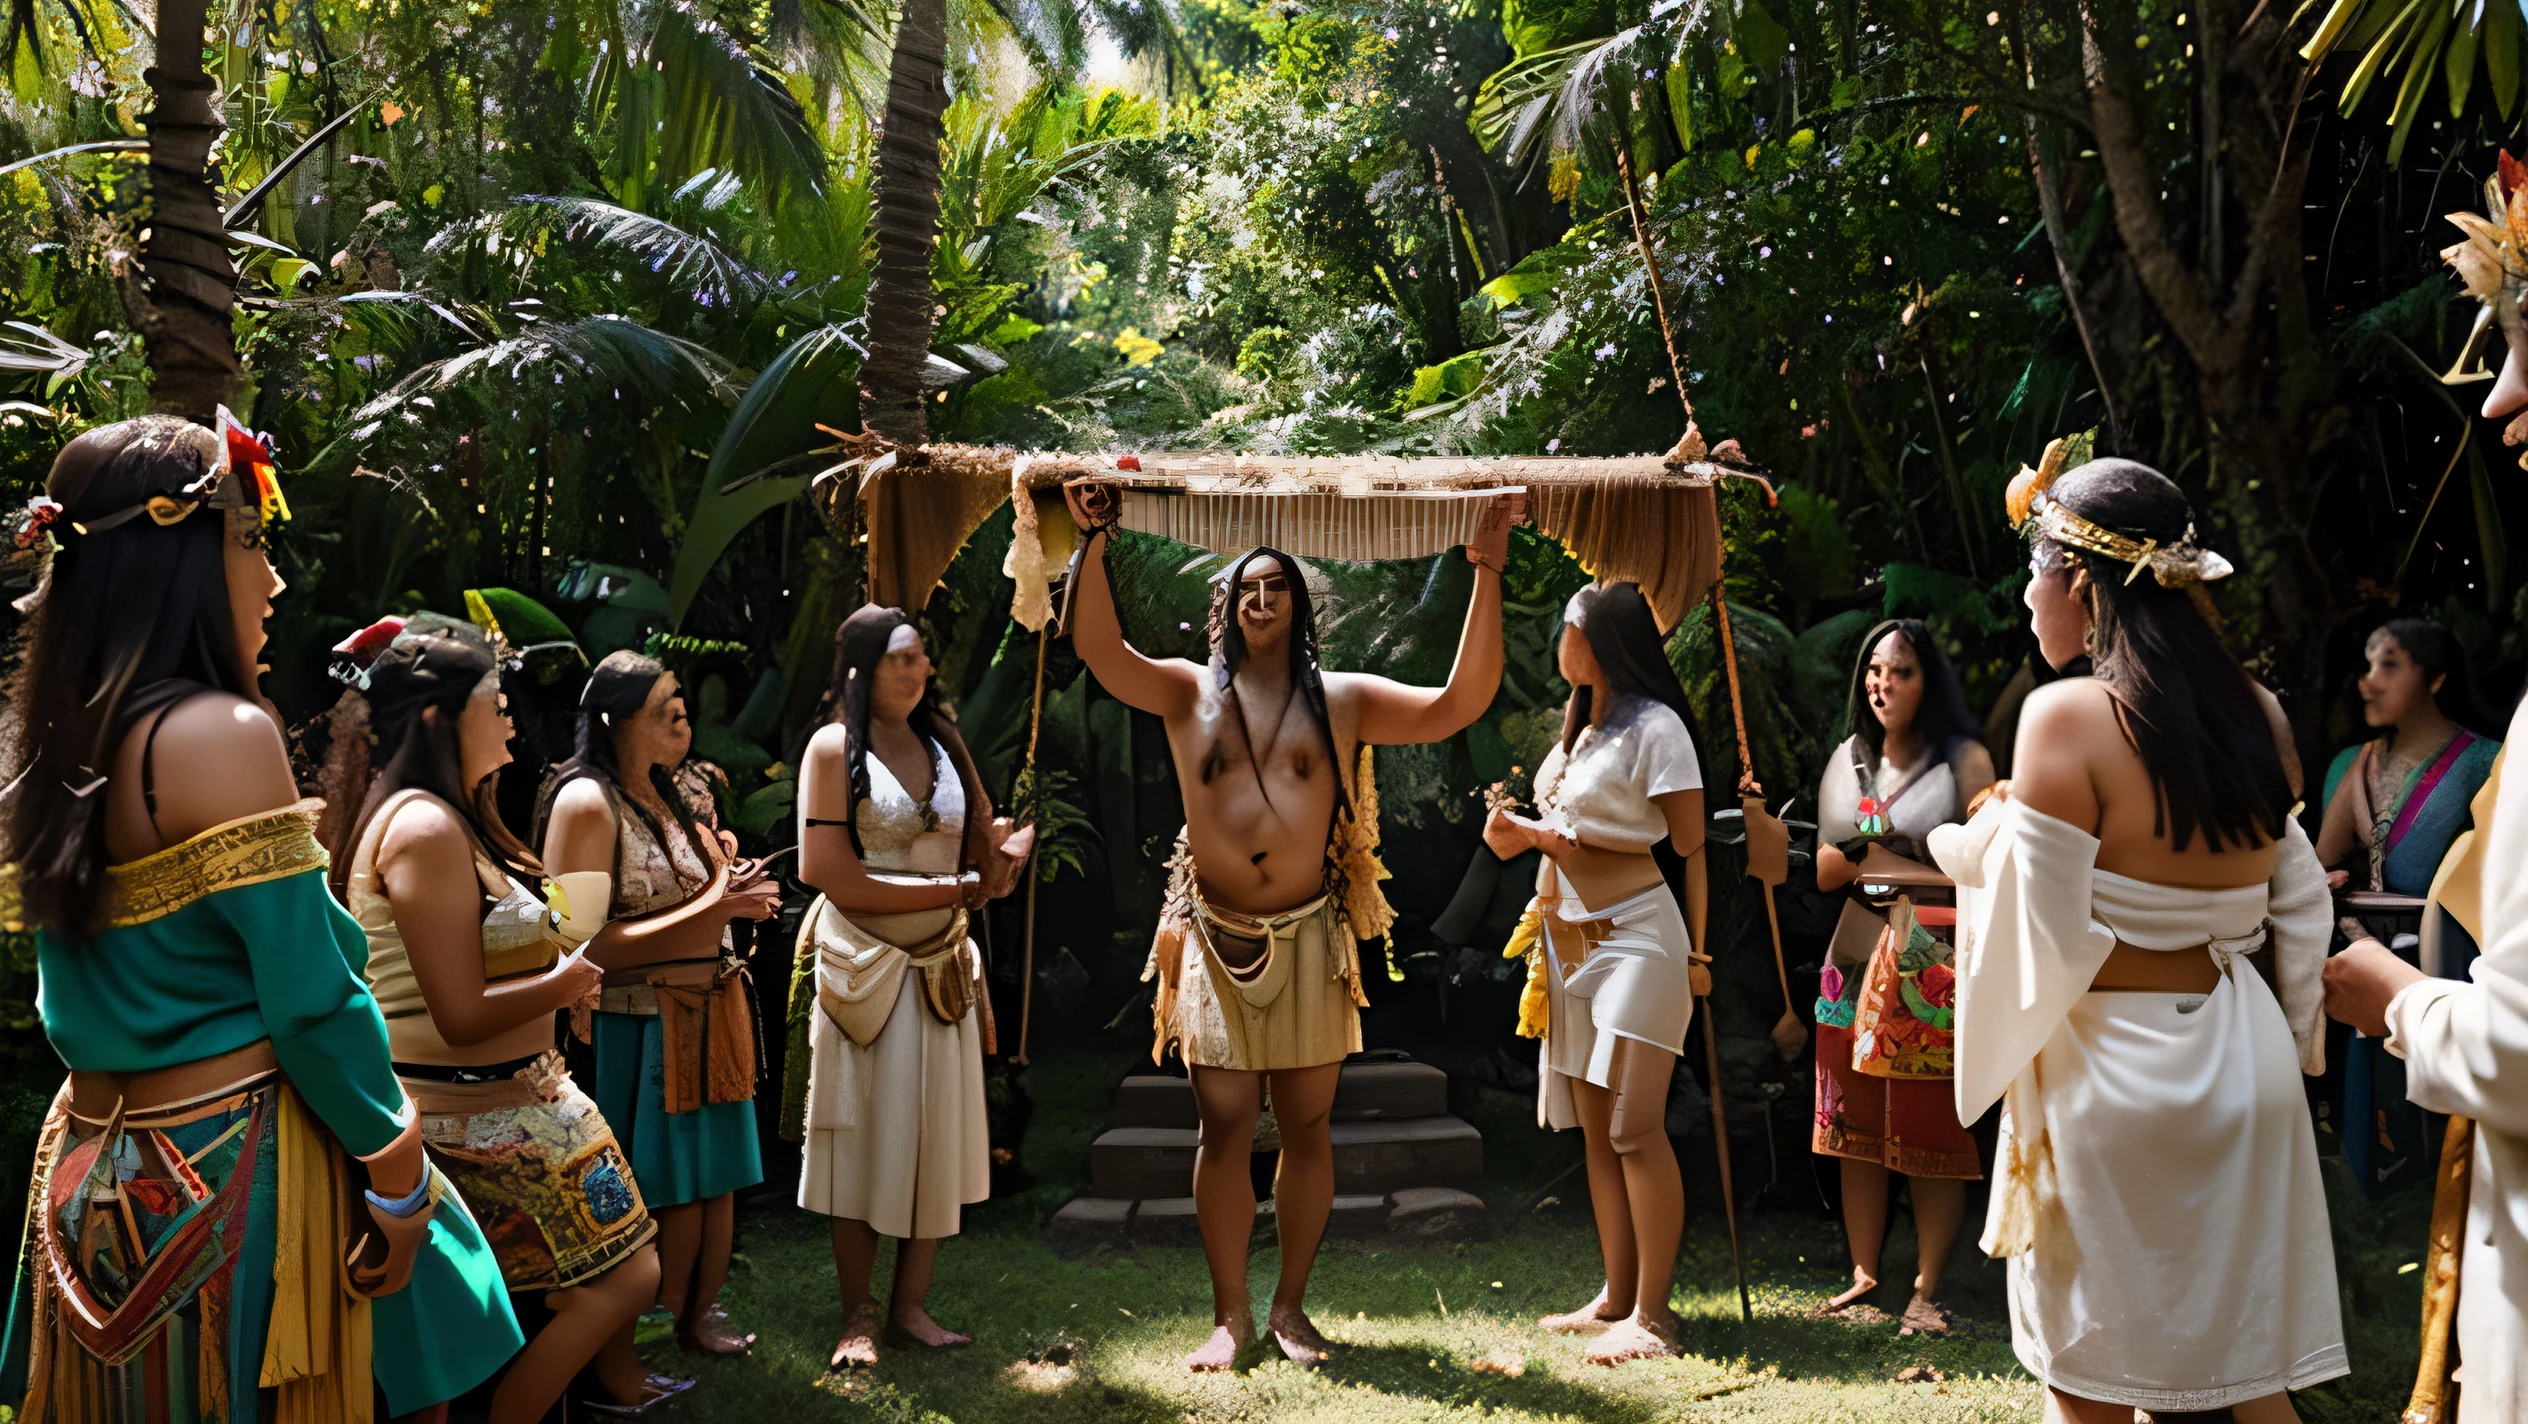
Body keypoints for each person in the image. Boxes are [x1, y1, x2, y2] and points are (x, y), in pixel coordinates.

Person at [0, 416, 520, 1422]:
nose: (274, 582)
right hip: (234, 1167)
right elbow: (315, 1004)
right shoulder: (220, 734)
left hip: (86, 1170)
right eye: (251, 541)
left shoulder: (44, 748)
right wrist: (401, 1172)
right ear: (174, 560)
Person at [1063, 480, 1514, 1369]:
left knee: (1308, 1128)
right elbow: (1098, 649)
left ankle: (1292, 1310)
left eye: (1279, 587)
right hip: (1214, 935)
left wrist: (1487, 570)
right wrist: (1093, 542)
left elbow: (1461, 700)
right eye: (1246, 588)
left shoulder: (1341, 700)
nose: (1262, 599)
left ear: (1301, 606)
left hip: (1310, 934)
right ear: (1220, 606)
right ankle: (1230, 1317)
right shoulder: (1184, 693)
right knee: (1224, 1129)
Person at [1931, 453, 2344, 1421]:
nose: (2026, 597)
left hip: (2107, 1080)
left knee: (2090, 1383)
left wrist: (1973, 844)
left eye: (2032, 571)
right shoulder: (2256, 711)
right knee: (2252, 1381)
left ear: (2075, 580)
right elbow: (2284, 883)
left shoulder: (2063, 716)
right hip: (2240, 1059)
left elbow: (2040, 936)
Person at [324, 615, 679, 1421]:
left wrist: (556, 969)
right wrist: (567, 984)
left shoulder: (448, 819)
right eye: (495, 699)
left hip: (513, 1097)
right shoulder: (422, 828)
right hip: (470, 1110)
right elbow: (458, 1012)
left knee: (616, 1276)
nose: (512, 714)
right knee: (627, 1277)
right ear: (434, 720)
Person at [791, 608, 1031, 1367]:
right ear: (860, 669)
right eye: (900, 658)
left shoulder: (944, 742)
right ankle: (857, 1316)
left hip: (943, 967)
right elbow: (826, 874)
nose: (917, 669)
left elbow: (978, 861)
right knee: (860, 1136)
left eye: (922, 657)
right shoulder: (832, 749)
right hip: (865, 967)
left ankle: (912, 1306)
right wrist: (952, 890)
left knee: (936, 1132)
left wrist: (1001, 863)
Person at [1481, 582, 1706, 1364]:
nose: (1558, 641)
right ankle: (1615, 1296)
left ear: (1603, 639)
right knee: (1597, 1140)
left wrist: (1543, 841)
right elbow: (1563, 828)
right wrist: (1517, 833)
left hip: (1639, 938)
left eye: (1567, 627)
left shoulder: (1658, 727)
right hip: (1569, 944)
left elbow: (1684, 842)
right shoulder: (1579, 730)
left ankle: (1655, 1315)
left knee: (1634, 1127)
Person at [535, 651, 780, 1358]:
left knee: (717, 1183)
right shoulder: (587, 801)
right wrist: (715, 908)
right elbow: (571, 945)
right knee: (664, 1186)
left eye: (681, 700)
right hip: (636, 1027)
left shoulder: (668, 792)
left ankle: (695, 1319)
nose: (682, 713)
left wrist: (732, 891)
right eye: (662, 705)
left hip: (711, 1013)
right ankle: (636, 1339)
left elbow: (702, 900)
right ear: (614, 719)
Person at [1808, 618, 1993, 1335]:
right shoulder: (1849, 760)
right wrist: (1894, 864)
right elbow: (1828, 869)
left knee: (1928, 1124)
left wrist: (1885, 863)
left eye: (1902, 670)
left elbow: (1984, 860)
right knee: (1850, 1117)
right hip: (1852, 954)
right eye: (1875, 670)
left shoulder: (1965, 761)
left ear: (1930, 680)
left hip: (1931, 959)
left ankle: (1928, 1284)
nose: (1883, 683)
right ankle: (1864, 1272)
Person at [2313, 619, 2500, 1198]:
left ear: (2437, 678)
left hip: (2446, 979)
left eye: (2389, 665)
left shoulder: (2487, 764)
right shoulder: (2350, 764)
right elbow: (2320, 862)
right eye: (2367, 666)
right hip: (2353, 977)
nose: (2369, 682)